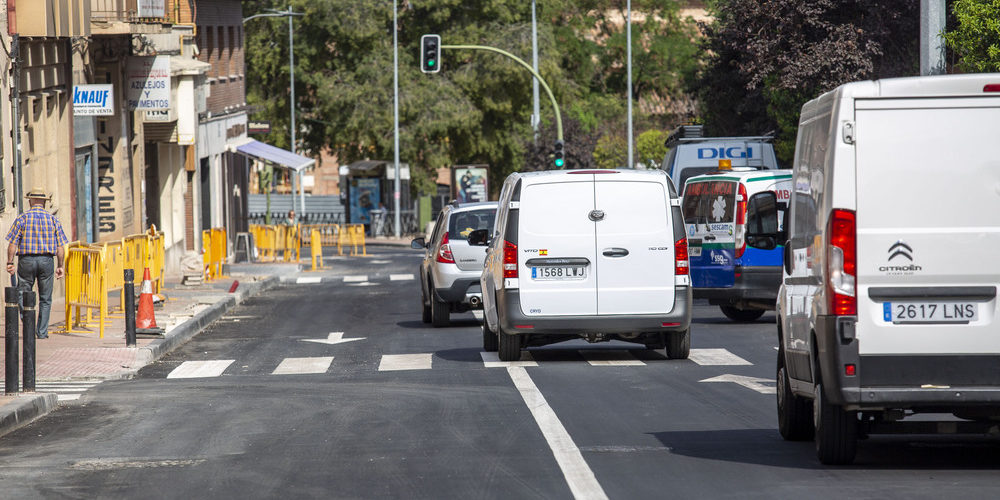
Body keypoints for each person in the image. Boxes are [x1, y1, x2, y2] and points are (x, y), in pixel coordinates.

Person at [5, 187, 68, 339]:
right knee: (45, 298)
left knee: (23, 294)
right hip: (47, 261)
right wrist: (60, 265)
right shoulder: (53, 219)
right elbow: (60, 246)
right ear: (44, 202)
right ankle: (41, 332)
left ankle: (28, 325)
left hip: (26, 260)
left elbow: (12, 243)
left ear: (30, 201)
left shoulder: (22, 218)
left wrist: (10, 261)